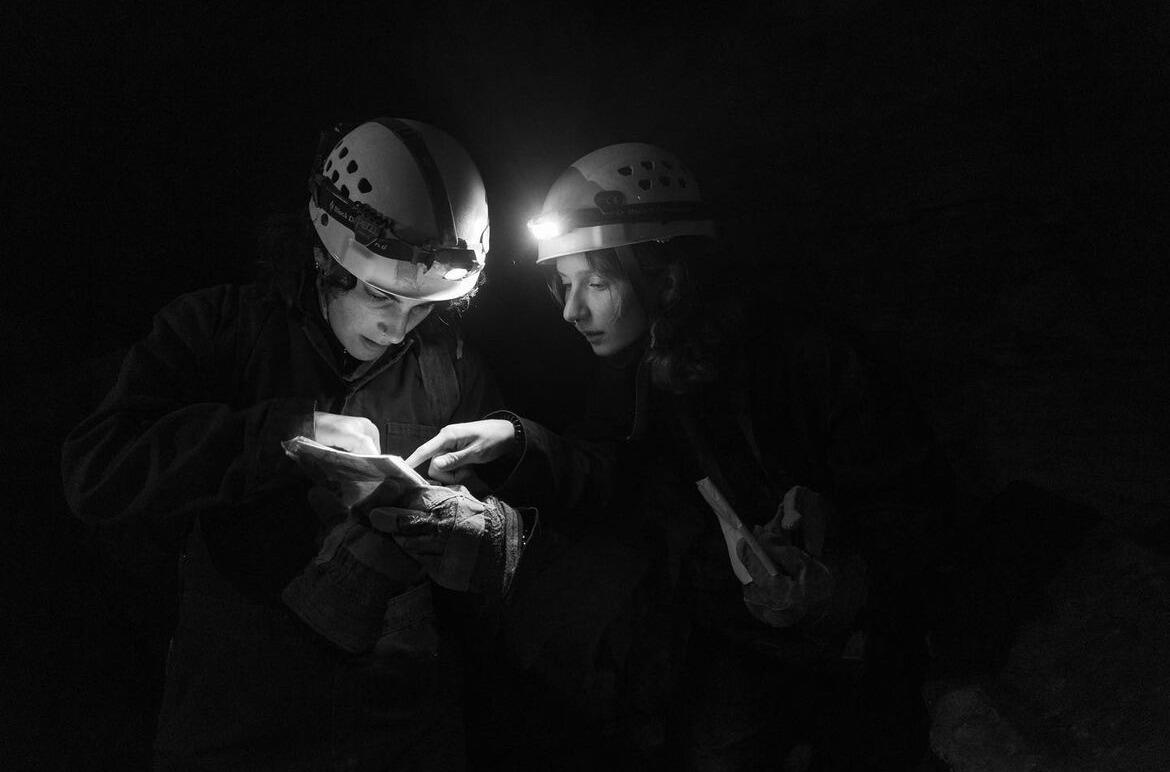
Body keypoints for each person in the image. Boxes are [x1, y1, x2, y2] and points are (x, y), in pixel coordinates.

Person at [400, 143, 955, 770]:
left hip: (857, 648)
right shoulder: (636, 369)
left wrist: (835, 578)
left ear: (665, 278)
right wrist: (516, 440)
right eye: (563, 283)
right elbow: (611, 471)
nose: (570, 309)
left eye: (597, 282)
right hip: (736, 643)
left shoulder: (804, 361)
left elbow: (913, 511)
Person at [61, 117, 531, 771]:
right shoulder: (221, 331)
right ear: (322, 252)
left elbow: (517, 530)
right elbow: (97, 469)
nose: (399, 327)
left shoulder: (448, 364)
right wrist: (284, 432)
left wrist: (483, 534)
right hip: (239, 725)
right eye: (379, 294)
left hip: (399, 728)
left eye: (424, 305)